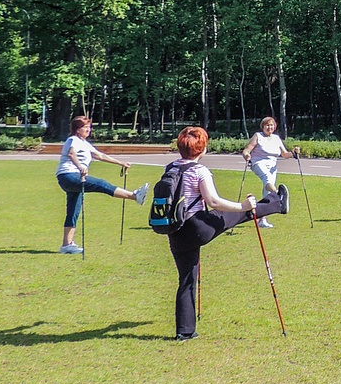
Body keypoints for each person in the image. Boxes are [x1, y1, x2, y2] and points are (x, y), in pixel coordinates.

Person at [167, 126, 289, 340]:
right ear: (202, 149)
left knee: (186, 279)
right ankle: (277, 202)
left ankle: (184, 332)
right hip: (198, 226)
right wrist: (242, 206)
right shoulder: (200, 171)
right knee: (242, 213)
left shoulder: (170, 168)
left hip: (175, 230)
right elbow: (213, 201)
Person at [56, 115, 150, 254]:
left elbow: (100, 156)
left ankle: (66, 245)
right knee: (101, 184)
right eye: (85, 127)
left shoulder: (84, 143)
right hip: (69, 176)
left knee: (73, 210)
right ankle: (134, 196)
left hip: (72, 178)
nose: (88, 130)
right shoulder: (73, 139)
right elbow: (71, 154)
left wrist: (121, 163)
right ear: (77, 129)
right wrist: (80, 166)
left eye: (89, 127)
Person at [241, 117, 300, 229]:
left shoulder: (276, 138)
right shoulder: (258, 136)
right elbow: (246, 150)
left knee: (267, 193)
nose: (269, 127)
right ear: (263, 127)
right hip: (258, 163)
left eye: (271, 125)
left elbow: (284, 154)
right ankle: (279, 195)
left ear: (275, 126)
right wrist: (247, 155)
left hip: (272, 166)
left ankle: (262, 219)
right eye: (267, 125)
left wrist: (294, 153)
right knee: (267, 179)